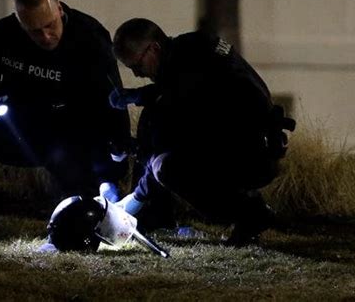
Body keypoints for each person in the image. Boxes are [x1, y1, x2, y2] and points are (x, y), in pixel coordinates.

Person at [0, 0, 131, 238]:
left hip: (68, 134)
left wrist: (112, 167)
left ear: (59, 9)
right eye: (34, 31)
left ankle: (82, 220)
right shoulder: (1, 35)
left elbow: (111, 100)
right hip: (16, 128)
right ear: (20, 22)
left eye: (50, 25)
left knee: (84, 205)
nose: (46, 36)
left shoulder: (88, 36)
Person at [110, 18, 295, 246]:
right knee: (158, 135)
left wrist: (137, 197)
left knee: (166, 167)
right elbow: (178, 88)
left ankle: (250, 214)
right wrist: (137, 96)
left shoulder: (190, 70)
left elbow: (170, 133)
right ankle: (247, 211)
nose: (137, 73)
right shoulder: (193, 49)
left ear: (154, 49)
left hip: (250, 154)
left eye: (137, 65)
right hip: (251, 145)